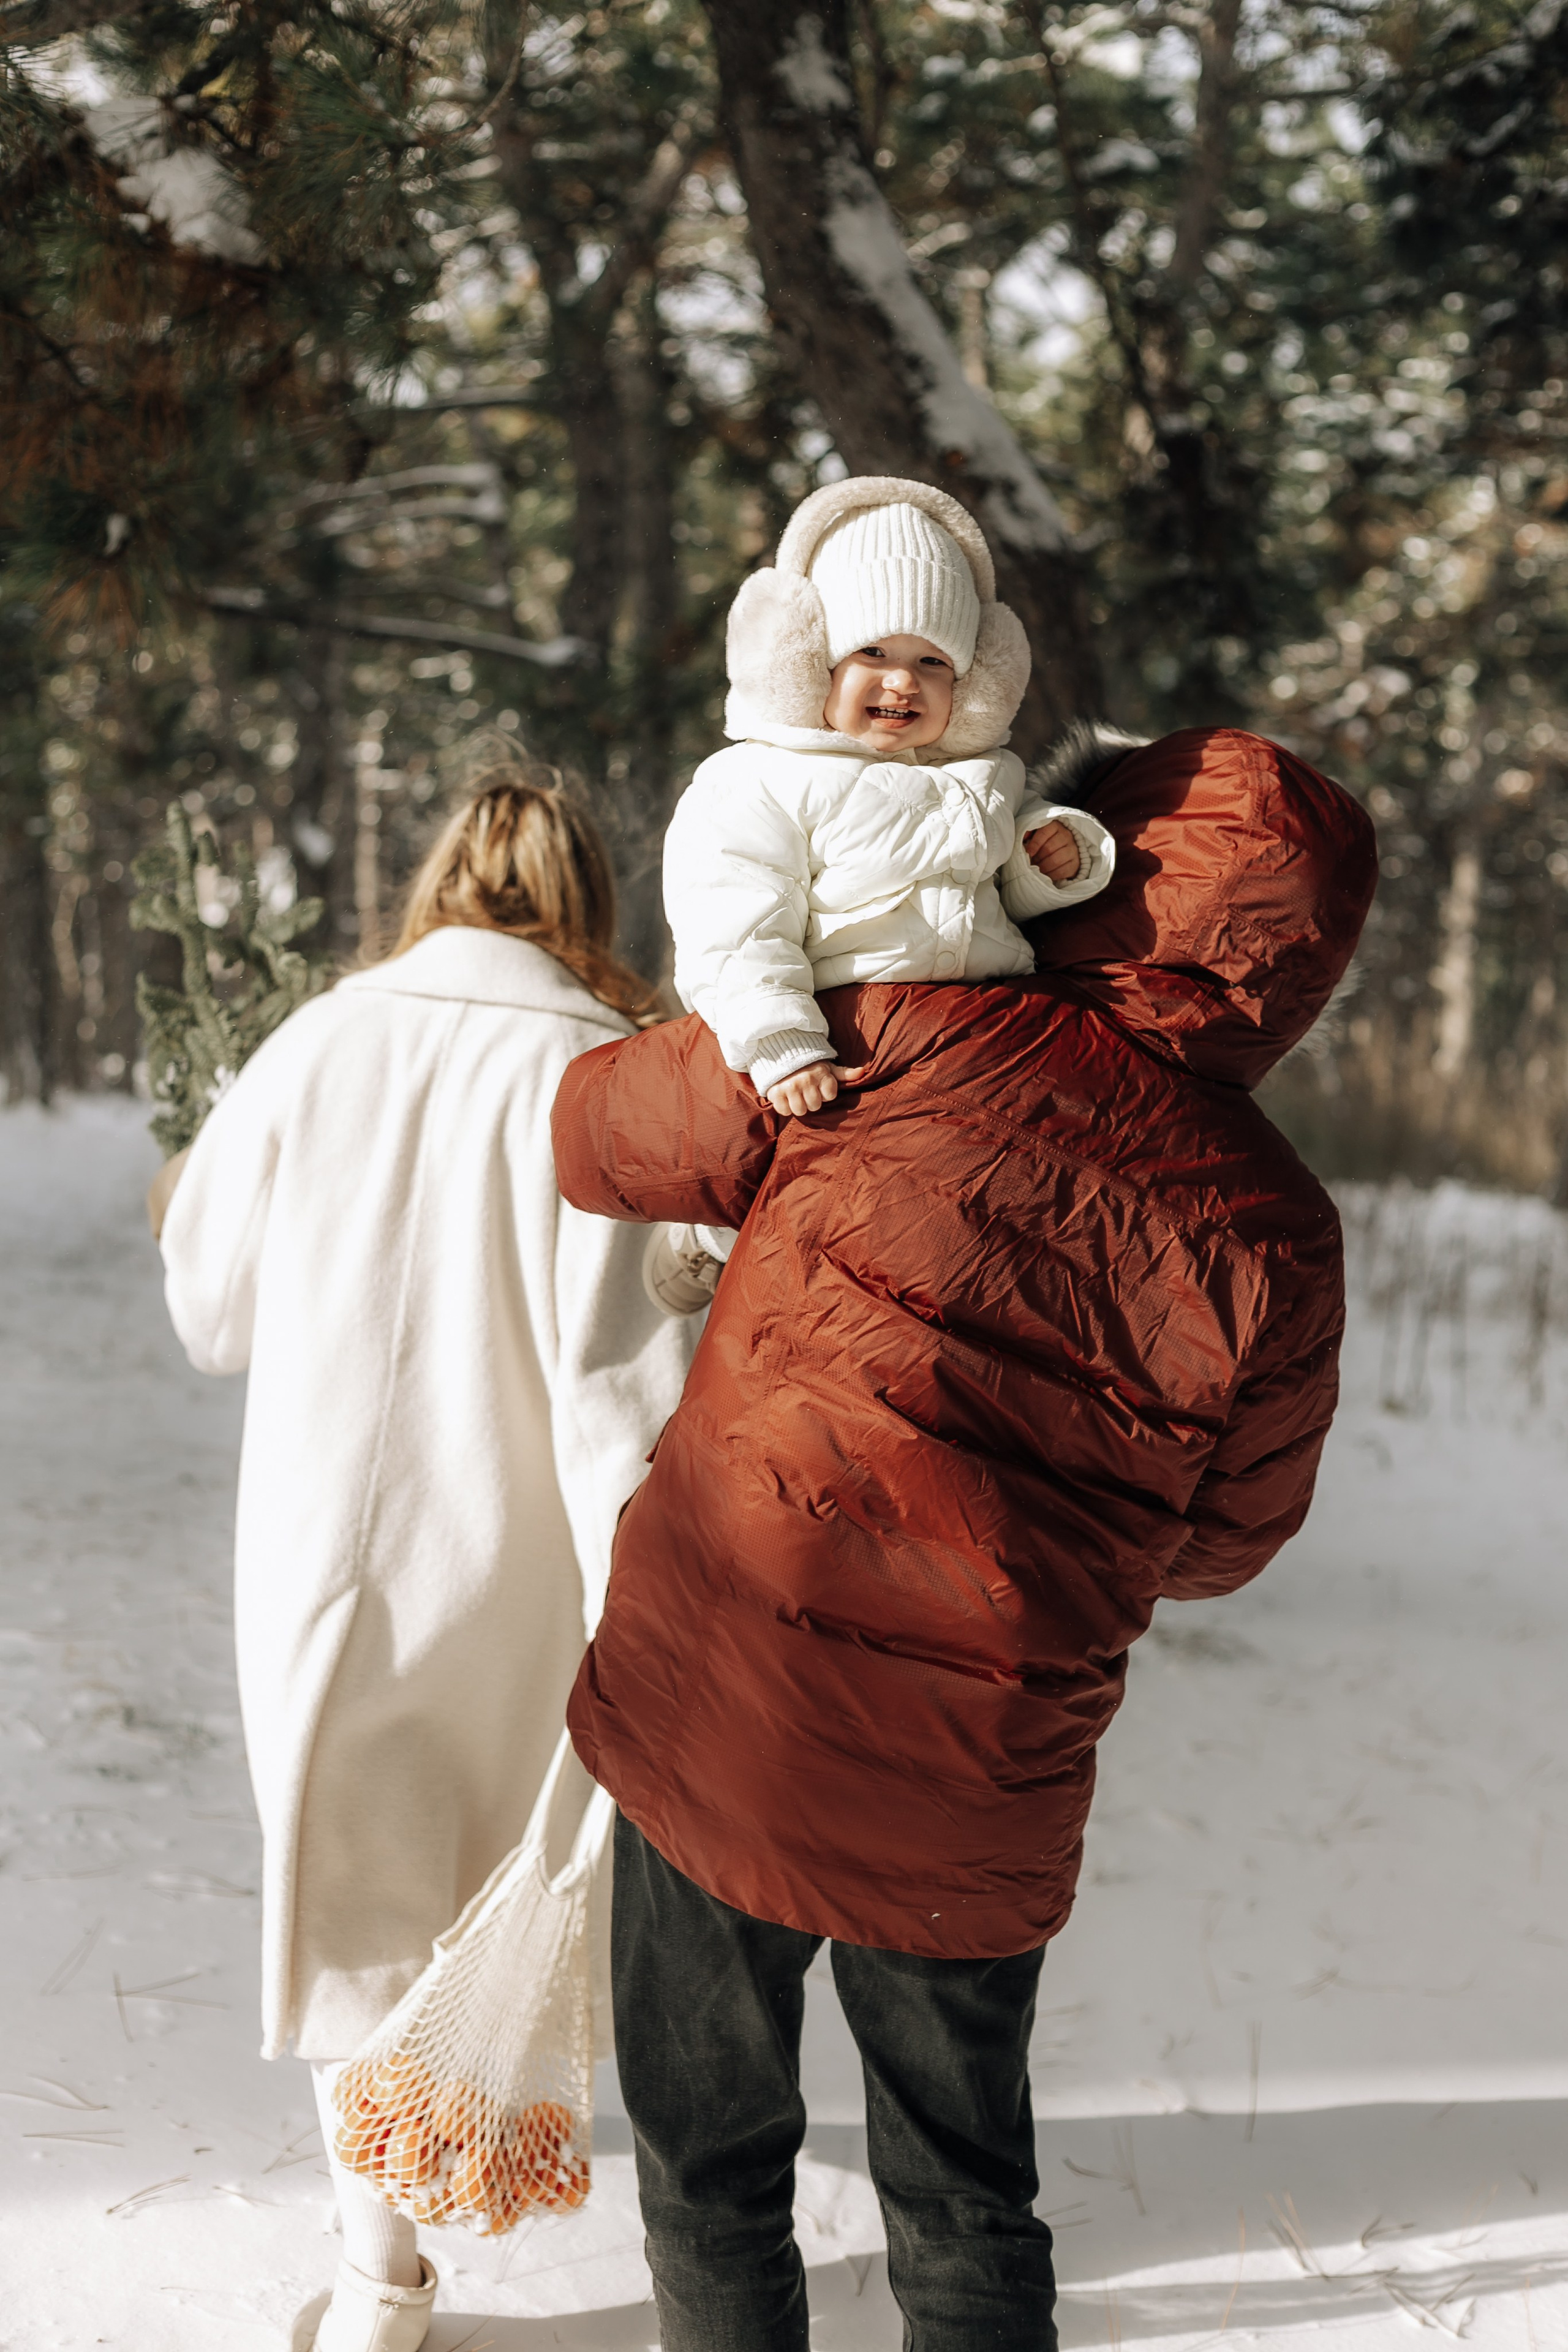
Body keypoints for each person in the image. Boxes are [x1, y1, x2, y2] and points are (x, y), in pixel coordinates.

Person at [551, 720, 1379, 2352]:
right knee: (963, 2193)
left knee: (711, 2167)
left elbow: (593, 1136)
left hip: (726, 1709)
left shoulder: (897, 1031)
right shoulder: (1277, 1232)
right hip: (981, 1769)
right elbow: (1224, 1547)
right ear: (1295, 974)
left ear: (1086, 861)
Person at [157, 753, 695, 2352]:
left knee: (353, 1890)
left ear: (434, 883)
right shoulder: (610, 1070)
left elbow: (212, 1311)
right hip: (524, 1554)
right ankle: (494, 2155)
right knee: (492, 1889)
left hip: (323, 1542)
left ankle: (378, 2278)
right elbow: (628, 1386)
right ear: (589, 898)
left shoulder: (320, 1043)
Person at [663, 475, 1116, 1120]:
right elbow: (733, 922)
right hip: (850, 1041)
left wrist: (1040, 861)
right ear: (813, 661)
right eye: (872, 652)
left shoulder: (981, 776)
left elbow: (984, 894)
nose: (902, 680)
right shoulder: (759, 779)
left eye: (934, 662)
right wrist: (781, 1040)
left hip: (989, 1027)